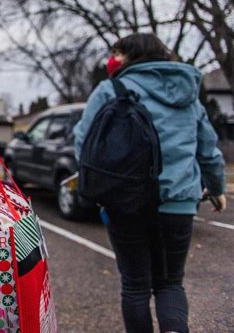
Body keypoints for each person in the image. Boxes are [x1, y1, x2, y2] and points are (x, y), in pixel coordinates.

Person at [74, 33, 226, 333]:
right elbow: (208, 150)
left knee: (135, 286)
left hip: (124, 202)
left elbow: (83, 144)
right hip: (178, 202)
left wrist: (103, 185)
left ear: (130, 56)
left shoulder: (111, 89)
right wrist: (216, 189)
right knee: (170, 284)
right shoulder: (187, 93)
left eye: (117, 53)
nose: (112, 60)